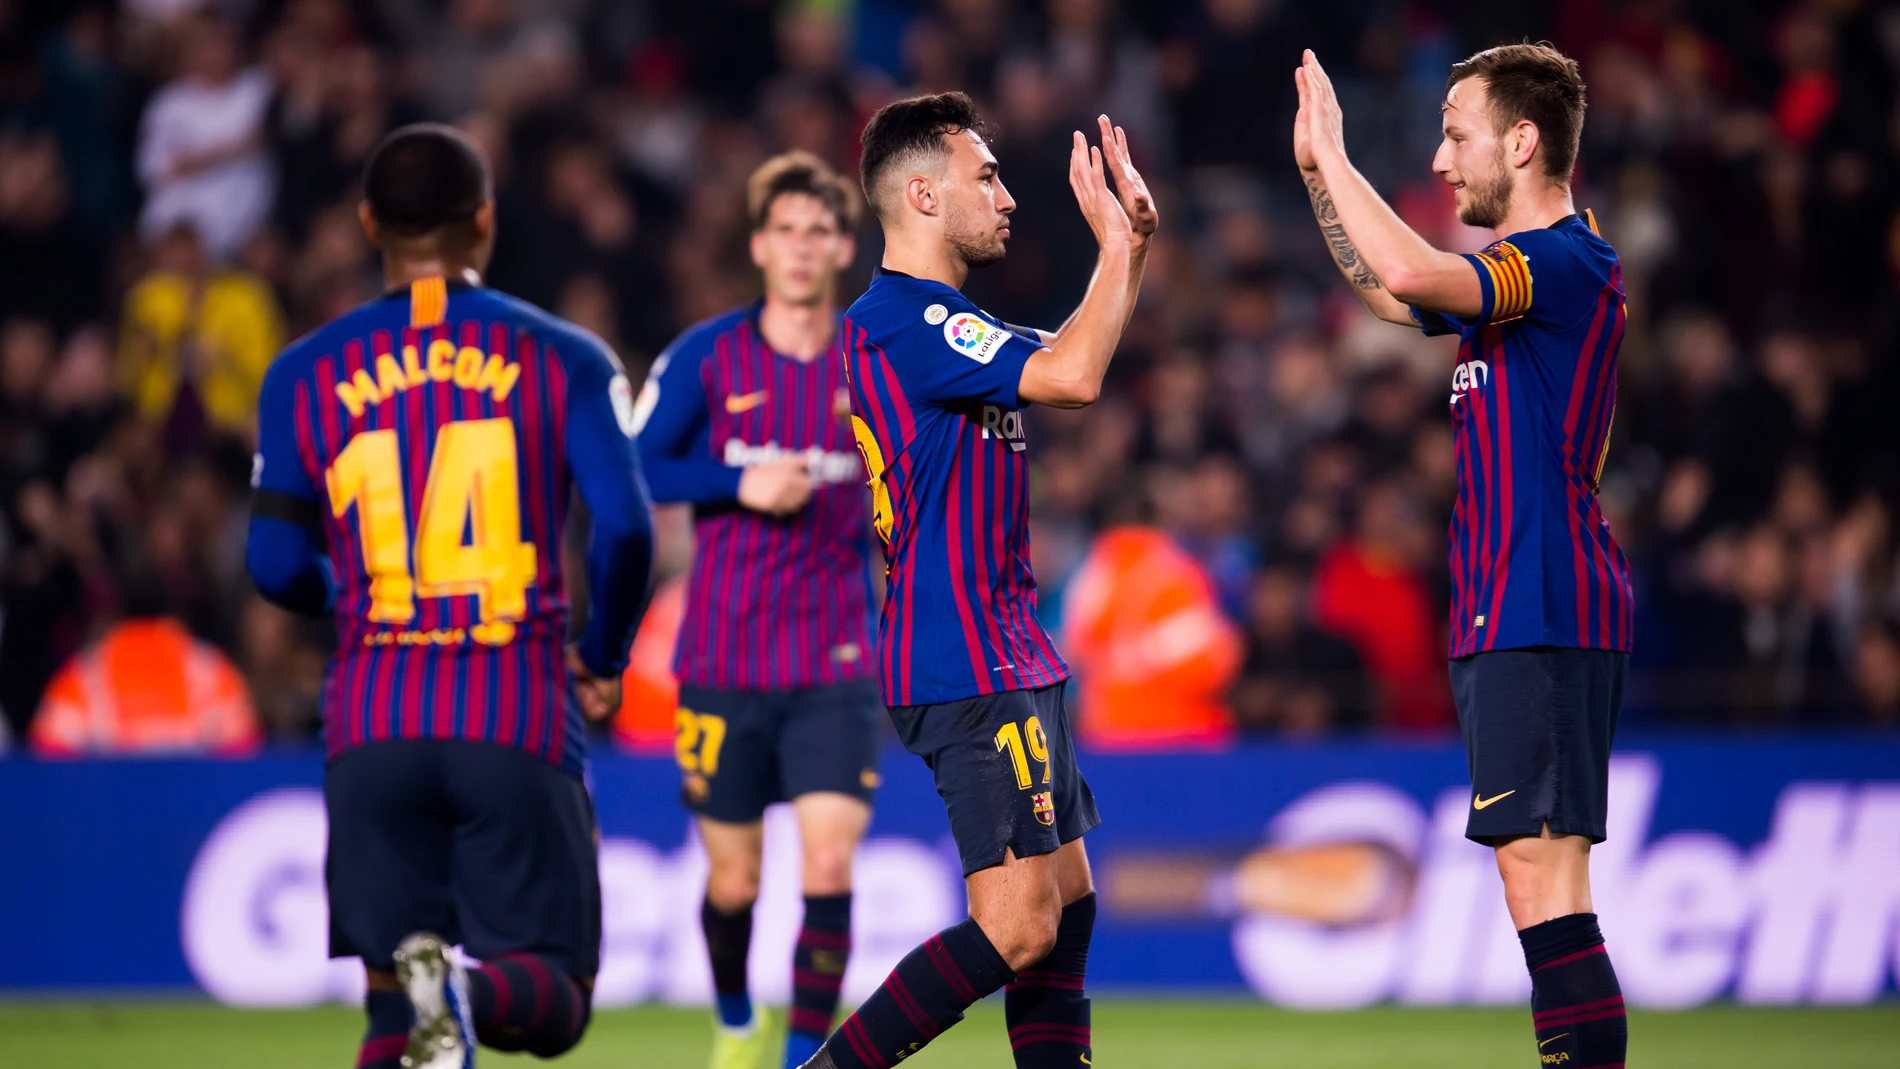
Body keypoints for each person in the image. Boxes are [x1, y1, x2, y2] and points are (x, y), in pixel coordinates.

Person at [244, 123, 654, 1069]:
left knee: (394, 1018)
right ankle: (462, 987)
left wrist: (357, 599)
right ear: (485, 222)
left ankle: (433, 989)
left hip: (371, 717)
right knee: (551, 1001)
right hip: (515, 706)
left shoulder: (301, 373)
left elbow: (271, 566)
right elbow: (626, 528)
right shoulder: (567, 356)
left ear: (366, 223)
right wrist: (602, 656)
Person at [800, 93, 1156, 1069]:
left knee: (1067, 901)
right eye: (984, 175)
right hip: (962, 655)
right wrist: (1118, 248)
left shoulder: (946, 323)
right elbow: (1077, 374)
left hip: (1004, 648)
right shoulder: (909, 324)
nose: (1005, 196)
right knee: (1016, 927)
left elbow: (1064, 358)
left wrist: (1124, 255)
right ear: (921, 193)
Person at [1294, 44, 1632, 1067]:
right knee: (1538, 883)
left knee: (1543, 884)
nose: (1441, 161)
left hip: (1543, 599)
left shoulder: (1566, 260)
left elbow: (1403, 267)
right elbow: (1395, 299)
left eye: (1455, 132)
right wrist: (1318, 178)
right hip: (1514, 605)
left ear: (1521, 142)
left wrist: (1338, 152)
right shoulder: (1511, 284)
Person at [634, 151, 882, 1069]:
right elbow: (636, 465)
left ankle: (807, 1056)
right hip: (723, 656)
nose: (803, 246)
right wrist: (736, 478)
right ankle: (737, 1019)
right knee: (733, 880)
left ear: (845, 246)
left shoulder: (873, 360)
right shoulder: (707, 356)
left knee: (827, 866)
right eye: (786, 230)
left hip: (836, 661)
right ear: (759, 246)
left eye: (820, 229)